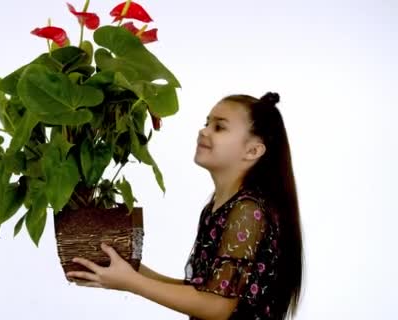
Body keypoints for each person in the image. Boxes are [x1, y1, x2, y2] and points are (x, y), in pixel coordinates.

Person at [66, 92, 304, 319]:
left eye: (219, 127)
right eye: (206, 123)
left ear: (253, 151)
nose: (204, 131)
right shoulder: (221, 206)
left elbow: (218, 306)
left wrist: (132, 282)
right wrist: (131, 270)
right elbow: (203, 292)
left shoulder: (247, 211)